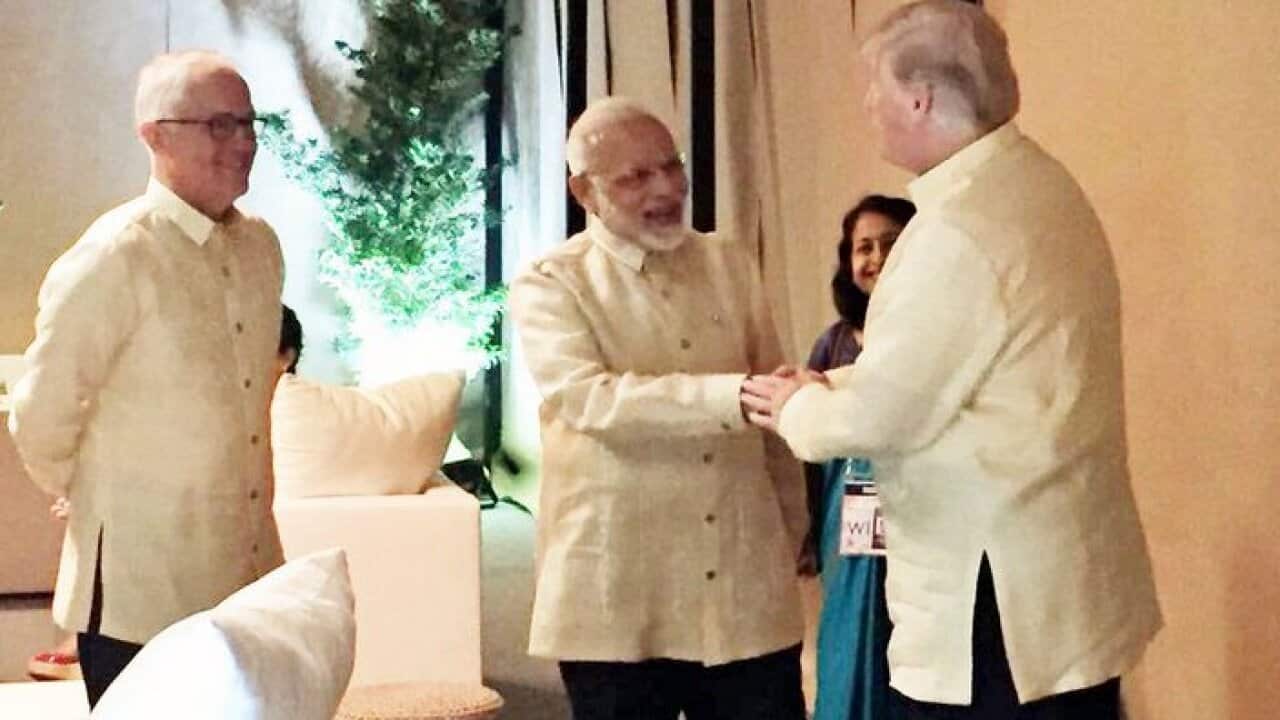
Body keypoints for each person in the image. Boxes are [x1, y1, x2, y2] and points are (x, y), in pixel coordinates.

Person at [741, 2, 1162, 719]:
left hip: (995, 594)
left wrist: (796, 406)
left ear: (918, 97)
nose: (867, 108)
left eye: (870, 89)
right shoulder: (1037, 184)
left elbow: (885, 414)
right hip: (1061, 576)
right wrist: (833, 379)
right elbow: (965, 364)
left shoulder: (957, 229)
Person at [509, 97, 807, 720]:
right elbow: (590, 398)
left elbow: (775, 415)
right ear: (584, 191)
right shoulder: (551, 281)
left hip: (742, 591)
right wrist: (732, 395)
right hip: (617, 594)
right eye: (636, 177)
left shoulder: (730, 263)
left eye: (671, 166)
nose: (667, 188)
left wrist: (789, 527)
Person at [7, 50, 285, 707]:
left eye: (249, 123)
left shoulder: (261, 248)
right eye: (219, 125)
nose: (243, 142)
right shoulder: (116, 255)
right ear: (154, 135)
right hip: (140, 585)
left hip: (247, 574)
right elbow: (41, 409)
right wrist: (89, 490)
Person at [805, 195, 915, 720]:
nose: (875, 258)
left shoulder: (929, 328)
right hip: (848, 528)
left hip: (917, 517)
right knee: (854, 634)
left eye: (891, 243)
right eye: (863, 247)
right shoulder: (834, 343)